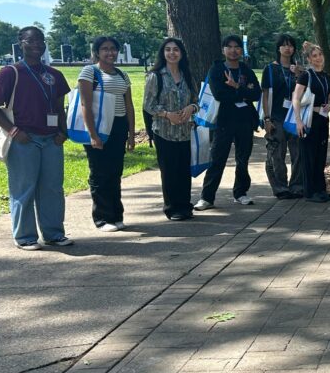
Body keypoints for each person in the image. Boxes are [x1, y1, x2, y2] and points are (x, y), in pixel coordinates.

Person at [0, 26, 72, 250]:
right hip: (24, 139)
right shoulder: (10, 73)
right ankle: (25, 237)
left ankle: (54, 234)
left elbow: (60, 107)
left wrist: (63, 133)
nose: (36, 44)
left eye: (40, 40)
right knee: (23, 189)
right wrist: (13, 131)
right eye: (30, 40)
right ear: (20, 43)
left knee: (53, 188)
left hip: (52, 140)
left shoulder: (54, 75)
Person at [195, 35, 261, 209]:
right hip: (224, 120)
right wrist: (243, 93)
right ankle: (207, 197)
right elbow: (219, 94)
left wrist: (236, 87)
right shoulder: (216, 70)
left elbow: (256, 94)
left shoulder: (246, 70)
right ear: (223, 49)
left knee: (243, 159)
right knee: (218, 158)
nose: (233, 50)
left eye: (237, 47)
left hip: (245, 120)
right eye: (229, 47)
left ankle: (241, 193)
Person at [78, 36, 136, 231]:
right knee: (100, 173)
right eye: (105, 49)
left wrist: (131, 133)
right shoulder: (90, 72)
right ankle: (102, 218)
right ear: (97, 52)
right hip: (99, 126)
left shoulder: (122, 74)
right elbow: (85, 104)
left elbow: (129, 105)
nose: (110, 52)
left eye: (113, 49)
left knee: (115, 172)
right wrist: (93, 134)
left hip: (118, 126)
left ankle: (116, 215)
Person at [144, 37, 198, 220]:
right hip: (164, 132)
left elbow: (197, 101)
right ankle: (172, 208)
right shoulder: (156, 76)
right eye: (168, 49)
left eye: (176, 49)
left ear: (181, 53)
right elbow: (148, 105)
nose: (172, 53)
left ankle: (185, 206)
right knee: (169, 171)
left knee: (183, 171)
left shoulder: (187, 75)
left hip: (184, 132)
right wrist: (167, 114)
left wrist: (192, 108)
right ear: (163, 53)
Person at [261, 33, 304, 199]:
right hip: (276, 116)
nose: (288, 48)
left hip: (294, 117)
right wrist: (267, 118)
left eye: (291, 45)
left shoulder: (298, 69)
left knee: (298, 153)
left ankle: (297, 186)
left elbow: (304, 92)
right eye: (284, 45)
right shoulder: (270, 69)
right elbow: (265, 94)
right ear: (278, 48)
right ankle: (280, 188)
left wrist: (298, 74)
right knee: (277, 153)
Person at [293, 41, 330, 202]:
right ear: (309, 59)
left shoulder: (326, 76)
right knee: (309, 155)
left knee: (320, 155)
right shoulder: (306, 76)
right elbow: (296, 98)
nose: (318, 58)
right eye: (314, 56)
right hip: (308, 120)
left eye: (320, 55)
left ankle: (320, 189)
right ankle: (310, 192)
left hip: (323, 119)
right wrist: (298, 121)